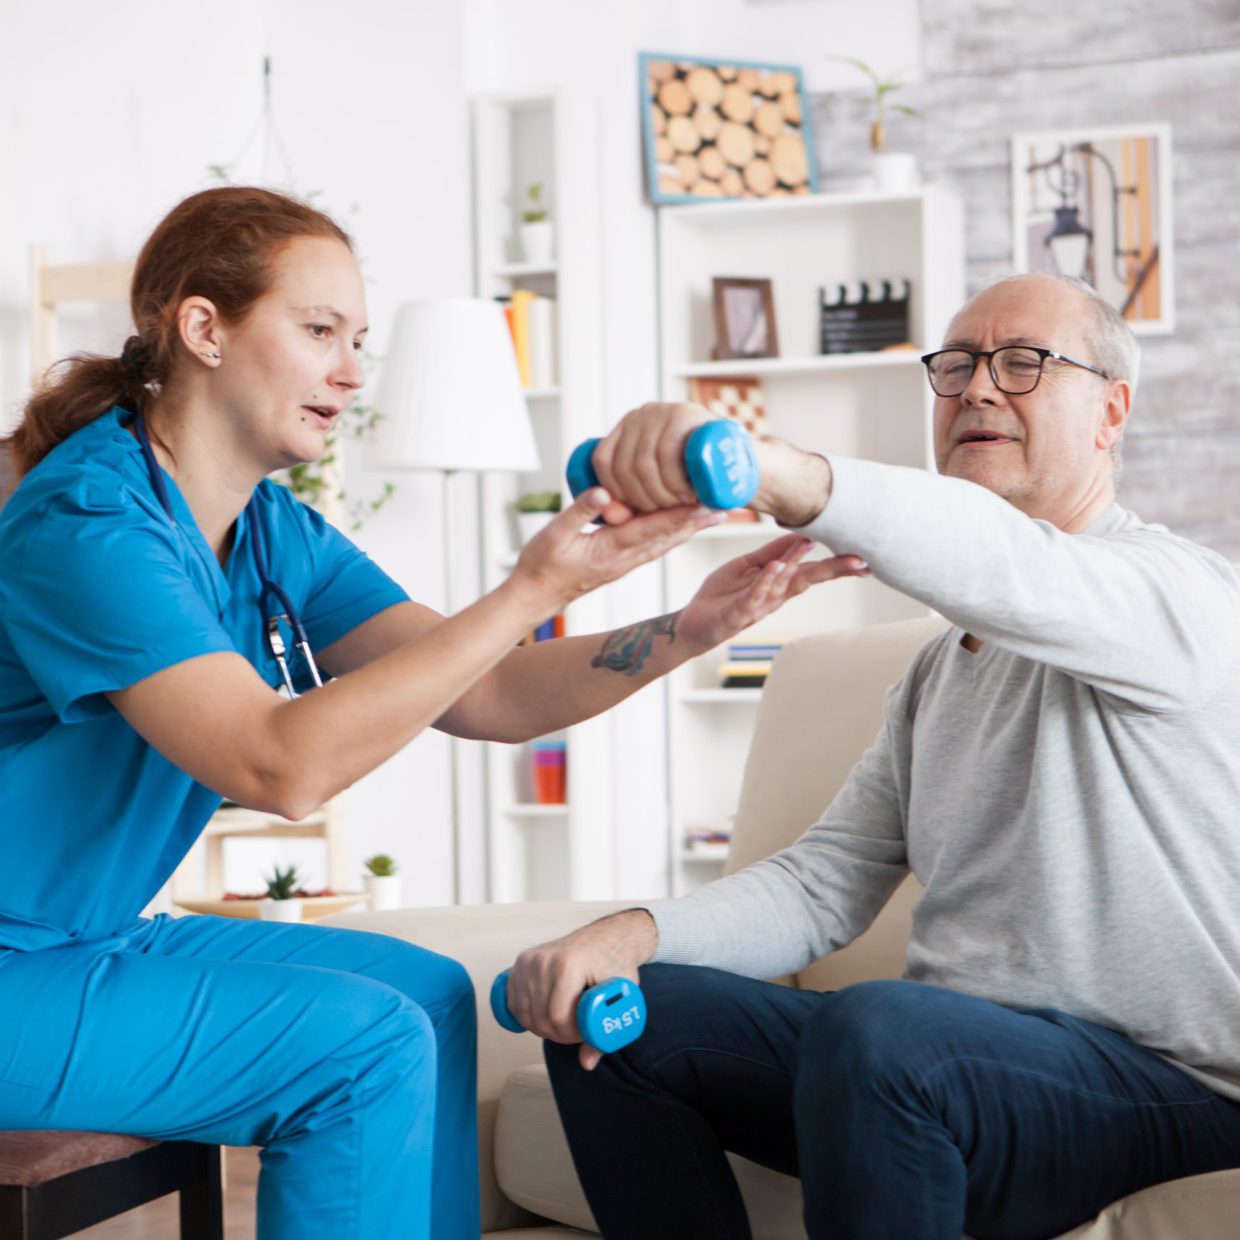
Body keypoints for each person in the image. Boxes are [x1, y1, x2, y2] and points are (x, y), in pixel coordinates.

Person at [0, 185, 868, 1240]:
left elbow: (491, 691)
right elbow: (276, 768)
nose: (353, 372)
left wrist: (688, 626)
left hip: (75, 942)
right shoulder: (86, 521)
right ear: (202, 329)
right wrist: (531, 589)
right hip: (15, 968)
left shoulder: (271, 529)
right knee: (356, 1046)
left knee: (427, 993)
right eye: (320, 331)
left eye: (357, 339)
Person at [506, 273, 1240, 1239]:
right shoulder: (940, 672)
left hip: (1163, 1085)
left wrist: (774, 471)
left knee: (885, 1028)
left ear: (1113, 410)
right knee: (623, 1020)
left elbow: (1006, 566)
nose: (979, 388)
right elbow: (824, 884)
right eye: (957, 367)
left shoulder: (1179, 597)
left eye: (1025, 364)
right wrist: (628, 936)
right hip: (944, 1070)